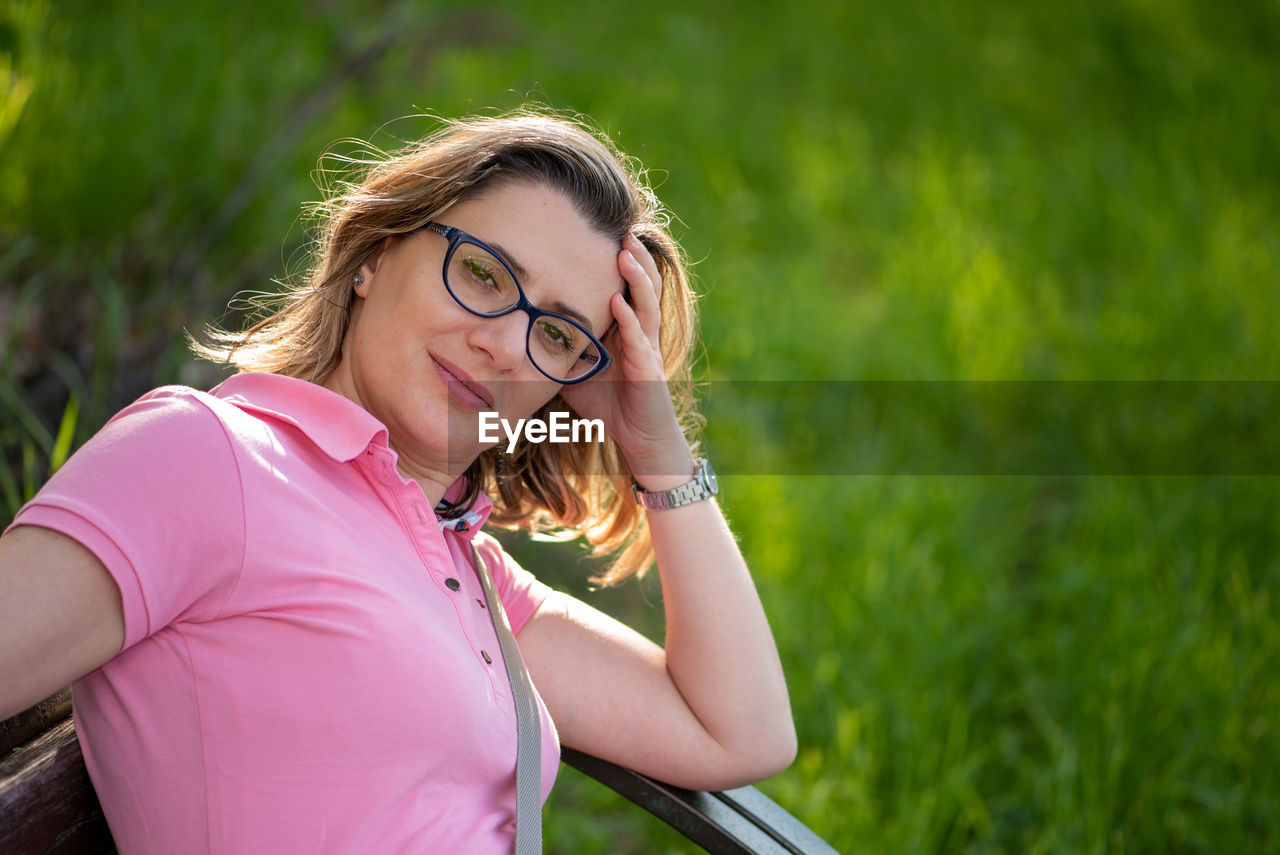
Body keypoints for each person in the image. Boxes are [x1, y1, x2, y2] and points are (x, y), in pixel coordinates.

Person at [0, 109, 796, 853]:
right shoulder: (211, 457)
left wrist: (654, 447)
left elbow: (743, 731)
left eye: (556, 334)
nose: (506, 346)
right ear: (376, 256)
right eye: (483, 273)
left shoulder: (475, 580)